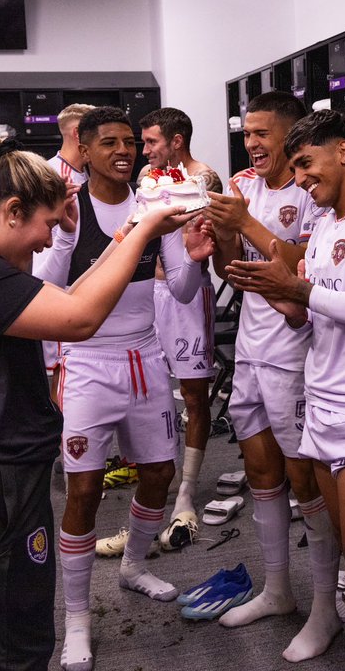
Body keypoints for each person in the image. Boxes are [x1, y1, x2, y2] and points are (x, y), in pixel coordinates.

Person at [0, 135, 196, 671]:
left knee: (16, 648)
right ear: (11, 211)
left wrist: (128, 230)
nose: (45, 244)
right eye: (47, 227)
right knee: (23, 652)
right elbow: (79, 319)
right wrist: (148, 226)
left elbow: (67, 297)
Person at [227, 109, 345, 671]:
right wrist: (265, 286)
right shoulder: (327, 222)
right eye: (296, 170)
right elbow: (303, 315)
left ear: (343, 151)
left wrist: (298, 288)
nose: (302, 179)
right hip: (325, 404)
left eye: (307, 165)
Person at [31, 106, 213, 671]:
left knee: (158, 473)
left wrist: (197, 259)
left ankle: (133, 565)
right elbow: (44, 293)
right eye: (108, 142)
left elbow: (180, 291)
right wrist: (51, 371)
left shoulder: (154, 208)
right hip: (87, 362)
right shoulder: (71, 209)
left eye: (130, 141)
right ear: (83, 151)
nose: (124, 150)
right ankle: (78, 618)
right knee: (82, 490)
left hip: (146, 356)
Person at [202, 92, 343, 661]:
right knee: (260, 467)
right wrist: (221, 236)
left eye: (263, 133)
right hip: (253, 350)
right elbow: (228, 270)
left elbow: (300, 273)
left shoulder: (313, 192)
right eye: (247, 133)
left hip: (296, 352)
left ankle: (326, 608)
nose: (253, 144)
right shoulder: (241, 183)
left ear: (290, 134)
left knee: (304, 476)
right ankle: (279, 590)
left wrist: (247, 224)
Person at [137, 106, 223, 546]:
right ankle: (159, 476)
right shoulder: (149, 178)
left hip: (187, 298)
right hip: (149, 294)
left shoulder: (204, 179)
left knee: (193, 392)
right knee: (151, 389)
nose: (144, 150)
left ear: (176, 140)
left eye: (151, 141)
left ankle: (187, 490)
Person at [42, 103, 95, 395]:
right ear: (78, 134)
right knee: (58, 387)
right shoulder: (47, 175)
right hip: (53, 290)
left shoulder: (88, 174)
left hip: (81, 291)